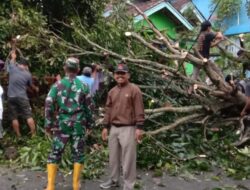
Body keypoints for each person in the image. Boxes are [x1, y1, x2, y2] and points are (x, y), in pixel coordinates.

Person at [44, 57, 94, 190]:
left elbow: (48, 103)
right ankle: (76, 186)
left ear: (65, 68)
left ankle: (50, 186)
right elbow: (89, 107)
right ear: (78, 70)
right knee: (78, 154)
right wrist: (90, 124)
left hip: (62, 125)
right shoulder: (84, 86)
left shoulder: (57, 85)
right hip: (78, 124)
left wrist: (48, 124)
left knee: (55, 153)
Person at [100, 63, 145, 190]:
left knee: (128, 159)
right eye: (117, 73)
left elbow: (139, 109)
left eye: (122, 73)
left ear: (128, 75)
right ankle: (114, 180)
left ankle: (129, 185)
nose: (120, 75)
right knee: (113, 157)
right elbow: (108, 110)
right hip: (114, 128)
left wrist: (139, 128)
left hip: (129, 128)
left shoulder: (134, 89)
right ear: (114, 75)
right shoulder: (112, 91)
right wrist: (105, 127)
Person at [7, 51, 38, 137]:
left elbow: (12, 60)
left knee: (14, 117)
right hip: (22, 97)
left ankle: (18, 135)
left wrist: (13, 56)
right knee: (28, 116)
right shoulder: (28, 74)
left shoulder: (13, 68)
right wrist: (36, 88)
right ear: (26, 66)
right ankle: (34, 134)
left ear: (19, 64)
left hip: (11, 97)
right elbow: (31, 86)